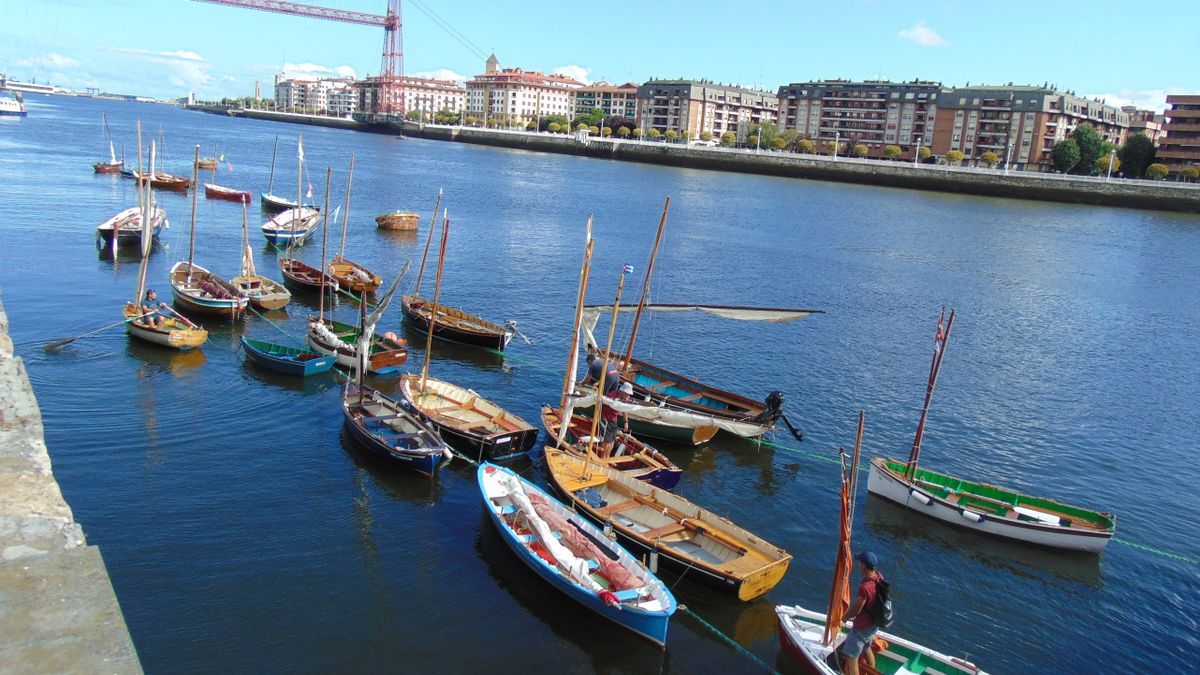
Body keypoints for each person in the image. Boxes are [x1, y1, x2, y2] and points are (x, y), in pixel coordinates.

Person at [841, 551, 884, 675]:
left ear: (864, 566)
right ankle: (872, 671)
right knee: (866, 647)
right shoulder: (879, 577)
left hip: (862, 626)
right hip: (873, 624)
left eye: (860, 562)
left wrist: (845, 616)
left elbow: (857, 609)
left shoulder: (865, 587)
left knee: (851, 656)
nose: (859, 564)